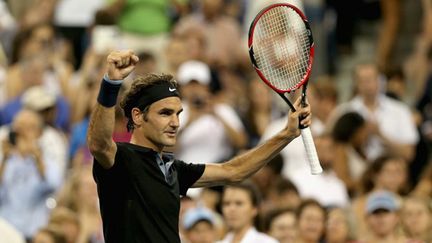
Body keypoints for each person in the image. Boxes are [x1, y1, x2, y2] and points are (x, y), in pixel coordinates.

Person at [86, 50, 312, 243]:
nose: (175, 122)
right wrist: (111, 83)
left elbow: (234, 171)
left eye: (178, 114)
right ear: (137, 116)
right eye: (165, 113)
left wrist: (287, 133)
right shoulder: (122, 159)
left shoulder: (172, 168)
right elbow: (99, 144)